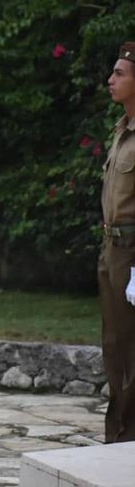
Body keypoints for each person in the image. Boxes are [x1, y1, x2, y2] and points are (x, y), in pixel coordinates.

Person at [99, 41, 135, 445]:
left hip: (132, 254)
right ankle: (117, 437)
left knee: (130, 351)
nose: (110, 80)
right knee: (113, 348)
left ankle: (126, 439)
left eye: (120, 74)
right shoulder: (122, 131)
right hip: (111, 250)